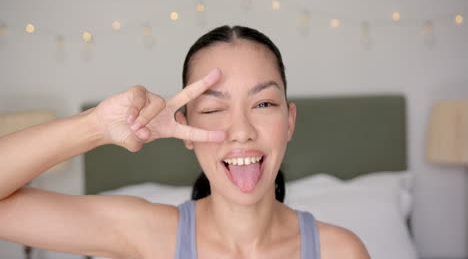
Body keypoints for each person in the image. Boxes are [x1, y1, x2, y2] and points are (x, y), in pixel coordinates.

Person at [0, 25, 370, 259]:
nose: (241, 130)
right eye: (213, 109)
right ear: (184, 129)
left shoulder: (341, 251)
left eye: (263, 103)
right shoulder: (148, 236)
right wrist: (96, 126)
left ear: (289, 121)